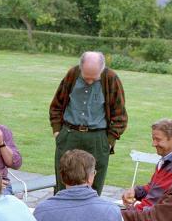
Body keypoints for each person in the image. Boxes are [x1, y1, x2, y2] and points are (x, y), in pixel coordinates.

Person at [49, 51, 128, 195]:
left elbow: (120, 114)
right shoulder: (72, 75)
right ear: (80, 68)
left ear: (102, 69)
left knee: (94, 186)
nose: (90, 81)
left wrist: (108, 141)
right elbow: (57, 105)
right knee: (63, 182)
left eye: (94, 78)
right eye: (86, 78)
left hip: (97, 139)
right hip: (69, 135)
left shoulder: (111, 78)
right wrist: (57, 132)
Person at [122, 118, 172, 211]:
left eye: (158, 140)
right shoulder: (165, 160)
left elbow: (153, 201)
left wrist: (130, 209)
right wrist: (135, 191)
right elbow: (152, 187)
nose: (153, 144)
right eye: (153, 139)